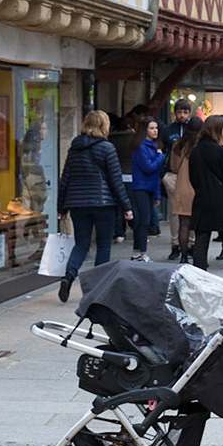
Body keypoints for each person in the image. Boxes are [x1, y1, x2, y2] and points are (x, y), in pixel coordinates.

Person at [58, 110, 131, 302]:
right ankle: (97, 288)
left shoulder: (75, 148)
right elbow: (116, 180)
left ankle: (68, 276)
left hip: (77, 203)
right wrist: (126, 207)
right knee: (103, 245)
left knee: (81, 244)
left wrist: (61, 208)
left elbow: (65, 178)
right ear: (104, 126)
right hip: (103, 202)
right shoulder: (107, 148)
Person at [186, 115, 223, 283]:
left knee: (201, 240)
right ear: (217, 129)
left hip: (202, 199)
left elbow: (193, 178)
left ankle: (199, 278)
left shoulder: (196, 151)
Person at [166, 117, 201, 261]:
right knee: (199, 226)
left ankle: (183, 256)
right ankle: (198, 254)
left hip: (182, 186)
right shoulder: (200, 146)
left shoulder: (178, 145)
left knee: (183, 224)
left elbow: (173, 167)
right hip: (198, 187)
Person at [129, 126, 165, 261]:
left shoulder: (153, 146)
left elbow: (155, 174)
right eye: (151, 128)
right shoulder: (142, 147)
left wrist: (157, 194)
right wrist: (160, 157)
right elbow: (149, 167)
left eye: (156, 128)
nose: (155, 130)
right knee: (143, 221)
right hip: (141, 187)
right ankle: (141, 253)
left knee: (144, 220)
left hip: (150, 187)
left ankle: (137, 251)